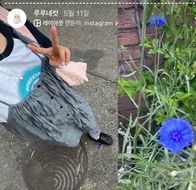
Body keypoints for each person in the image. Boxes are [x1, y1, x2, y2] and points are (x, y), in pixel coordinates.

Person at [0, 6, 113, 147]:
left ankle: (94, 133)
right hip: (31, 114)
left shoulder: (9, 18)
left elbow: (44, 44)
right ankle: (72, 141)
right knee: (64, 138)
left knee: (82, 111)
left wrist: (56, 56)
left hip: (54, 86)